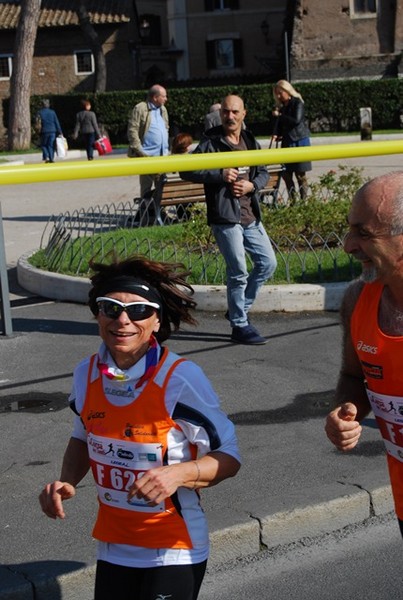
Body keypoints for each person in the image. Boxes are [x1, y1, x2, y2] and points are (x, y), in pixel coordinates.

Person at [39, 256, 241, 600]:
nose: (122, 320)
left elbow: (229, 458)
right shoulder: (85, 375)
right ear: (97, 313)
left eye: (138, 311)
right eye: (110, 307)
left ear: (157, 320)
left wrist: (175, 475)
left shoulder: (180, 378)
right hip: (114, 546)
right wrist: (67, 481)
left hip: (174, 547)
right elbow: (81, 435)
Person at [325, 171, 403, 536]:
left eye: (365, 234)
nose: (348, 245)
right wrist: (348, 410)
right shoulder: (358, 300)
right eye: (350, 230)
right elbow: (355, 376)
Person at [180, 94, 277, 345]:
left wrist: (251, 186)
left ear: (244, 114)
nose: (230, 116)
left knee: (268, 263)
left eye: (235, 112)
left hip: (249, 214)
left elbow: (263, 172)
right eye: (226, 112)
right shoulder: (211, 142)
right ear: (220, 113)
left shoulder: (250, 139)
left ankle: (239, 307)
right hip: (225, 216)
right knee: (238, 272)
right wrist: (219, 174)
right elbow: (187, 170)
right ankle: (239, 325)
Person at [272, 80, 312, 200]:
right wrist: (277, 134)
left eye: (280, 93)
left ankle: (304, 200)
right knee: (286, 174)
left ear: (287, 90)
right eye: (277, 94)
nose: (279, 96)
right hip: (287, 141)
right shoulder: (282, 106)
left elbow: (296, 120)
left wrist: (280, 115)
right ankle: (293, 200)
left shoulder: (297, 102)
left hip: (299, 140)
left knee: (300, 174)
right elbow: (282, 124)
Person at [127, 84, 169, 198]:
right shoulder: (141, 108)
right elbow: (132, 130)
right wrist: (140, 150)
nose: (166, 99)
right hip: (146, 156)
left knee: (162, 188)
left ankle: (159, 213)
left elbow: (166, 127)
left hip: (161, 157)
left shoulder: (163, 109)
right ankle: (146, 213)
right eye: (164, 96)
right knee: (146, 189)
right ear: (155, 97)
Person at [35, 98, 63, 163]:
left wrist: (37, 131)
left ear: (42, 105)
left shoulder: (39, 113)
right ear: (48, 105)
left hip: (44, 131)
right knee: (51, 145)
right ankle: (51, 158)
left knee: (43, 145)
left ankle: (46, 155)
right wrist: (60, 131)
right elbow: (56, 122)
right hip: (53, 131)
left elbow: (37, 123)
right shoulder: (52, 112)